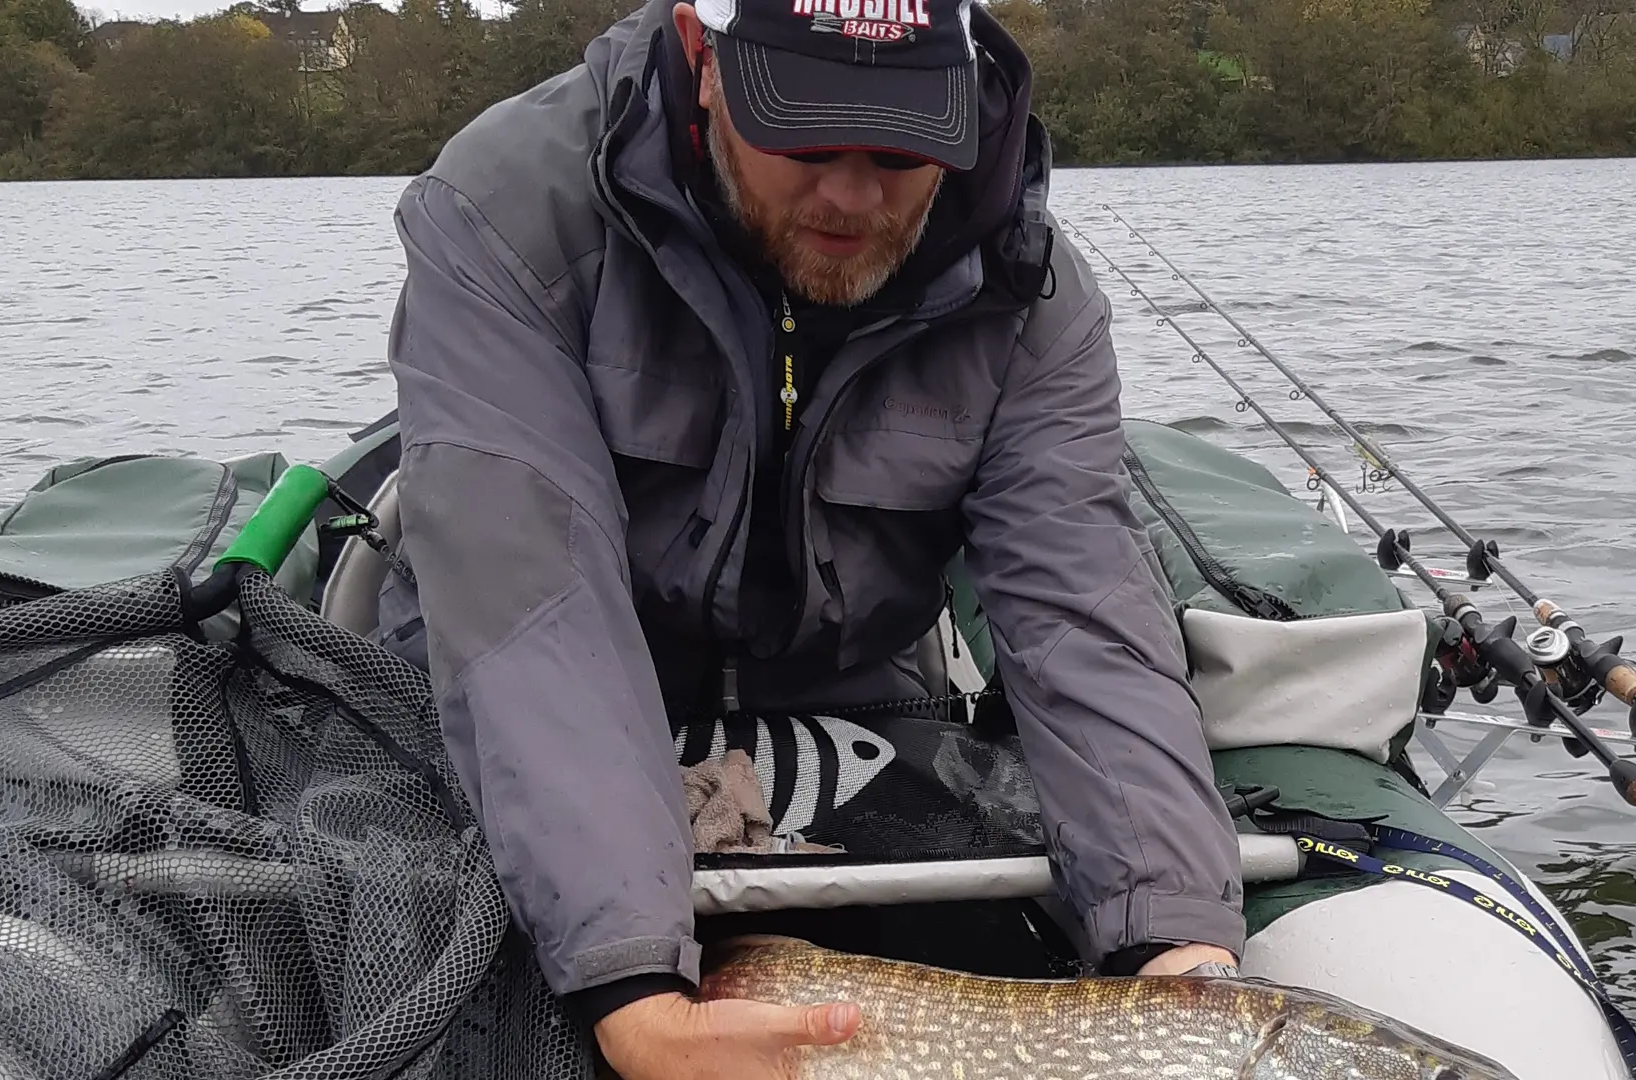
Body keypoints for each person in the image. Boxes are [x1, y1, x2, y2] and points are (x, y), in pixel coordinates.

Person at [376, 0, 1246, 1073]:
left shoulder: (1031, 291)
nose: (849, 194)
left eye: (898, 147)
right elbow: (531, 604)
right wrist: (635, 990)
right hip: (533, 683)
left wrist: (1181, 956)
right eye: (806, 134)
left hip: (841, 687)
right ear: (703, 60)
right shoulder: (506, 210)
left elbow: (1082, 612)